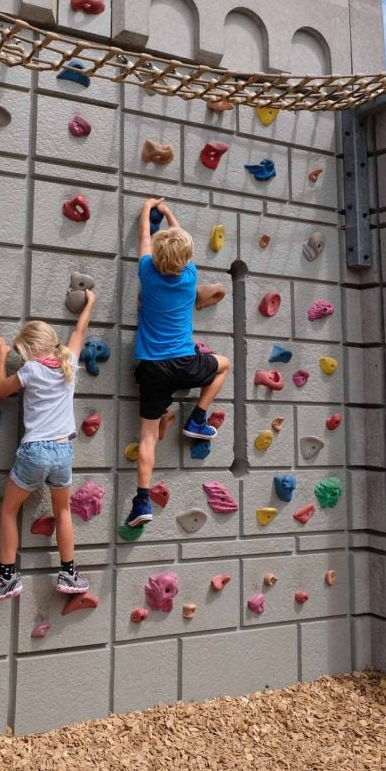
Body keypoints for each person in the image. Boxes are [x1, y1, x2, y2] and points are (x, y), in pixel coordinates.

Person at [0, 290, 96, 604]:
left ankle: (7, 577)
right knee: (63, 510)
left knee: (9, 509)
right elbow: (79, 331)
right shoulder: (68, 361)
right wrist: (90, 303)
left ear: (30, 349)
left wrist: (2, 357)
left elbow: (2, 390)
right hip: (63, 451)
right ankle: (69, 573)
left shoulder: (30, 370)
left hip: (35, 451)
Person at [126, 198, 231, 527]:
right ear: (185, 259)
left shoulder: (147, 272)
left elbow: (145, 238)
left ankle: (142, 502)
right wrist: (169, 211)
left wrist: (146, 210)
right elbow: (179, 235)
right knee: (223, 364)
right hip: (185, 363)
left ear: (157, 255)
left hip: (152, 368)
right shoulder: (189, 277)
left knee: (146, 436)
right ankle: (197, 417)